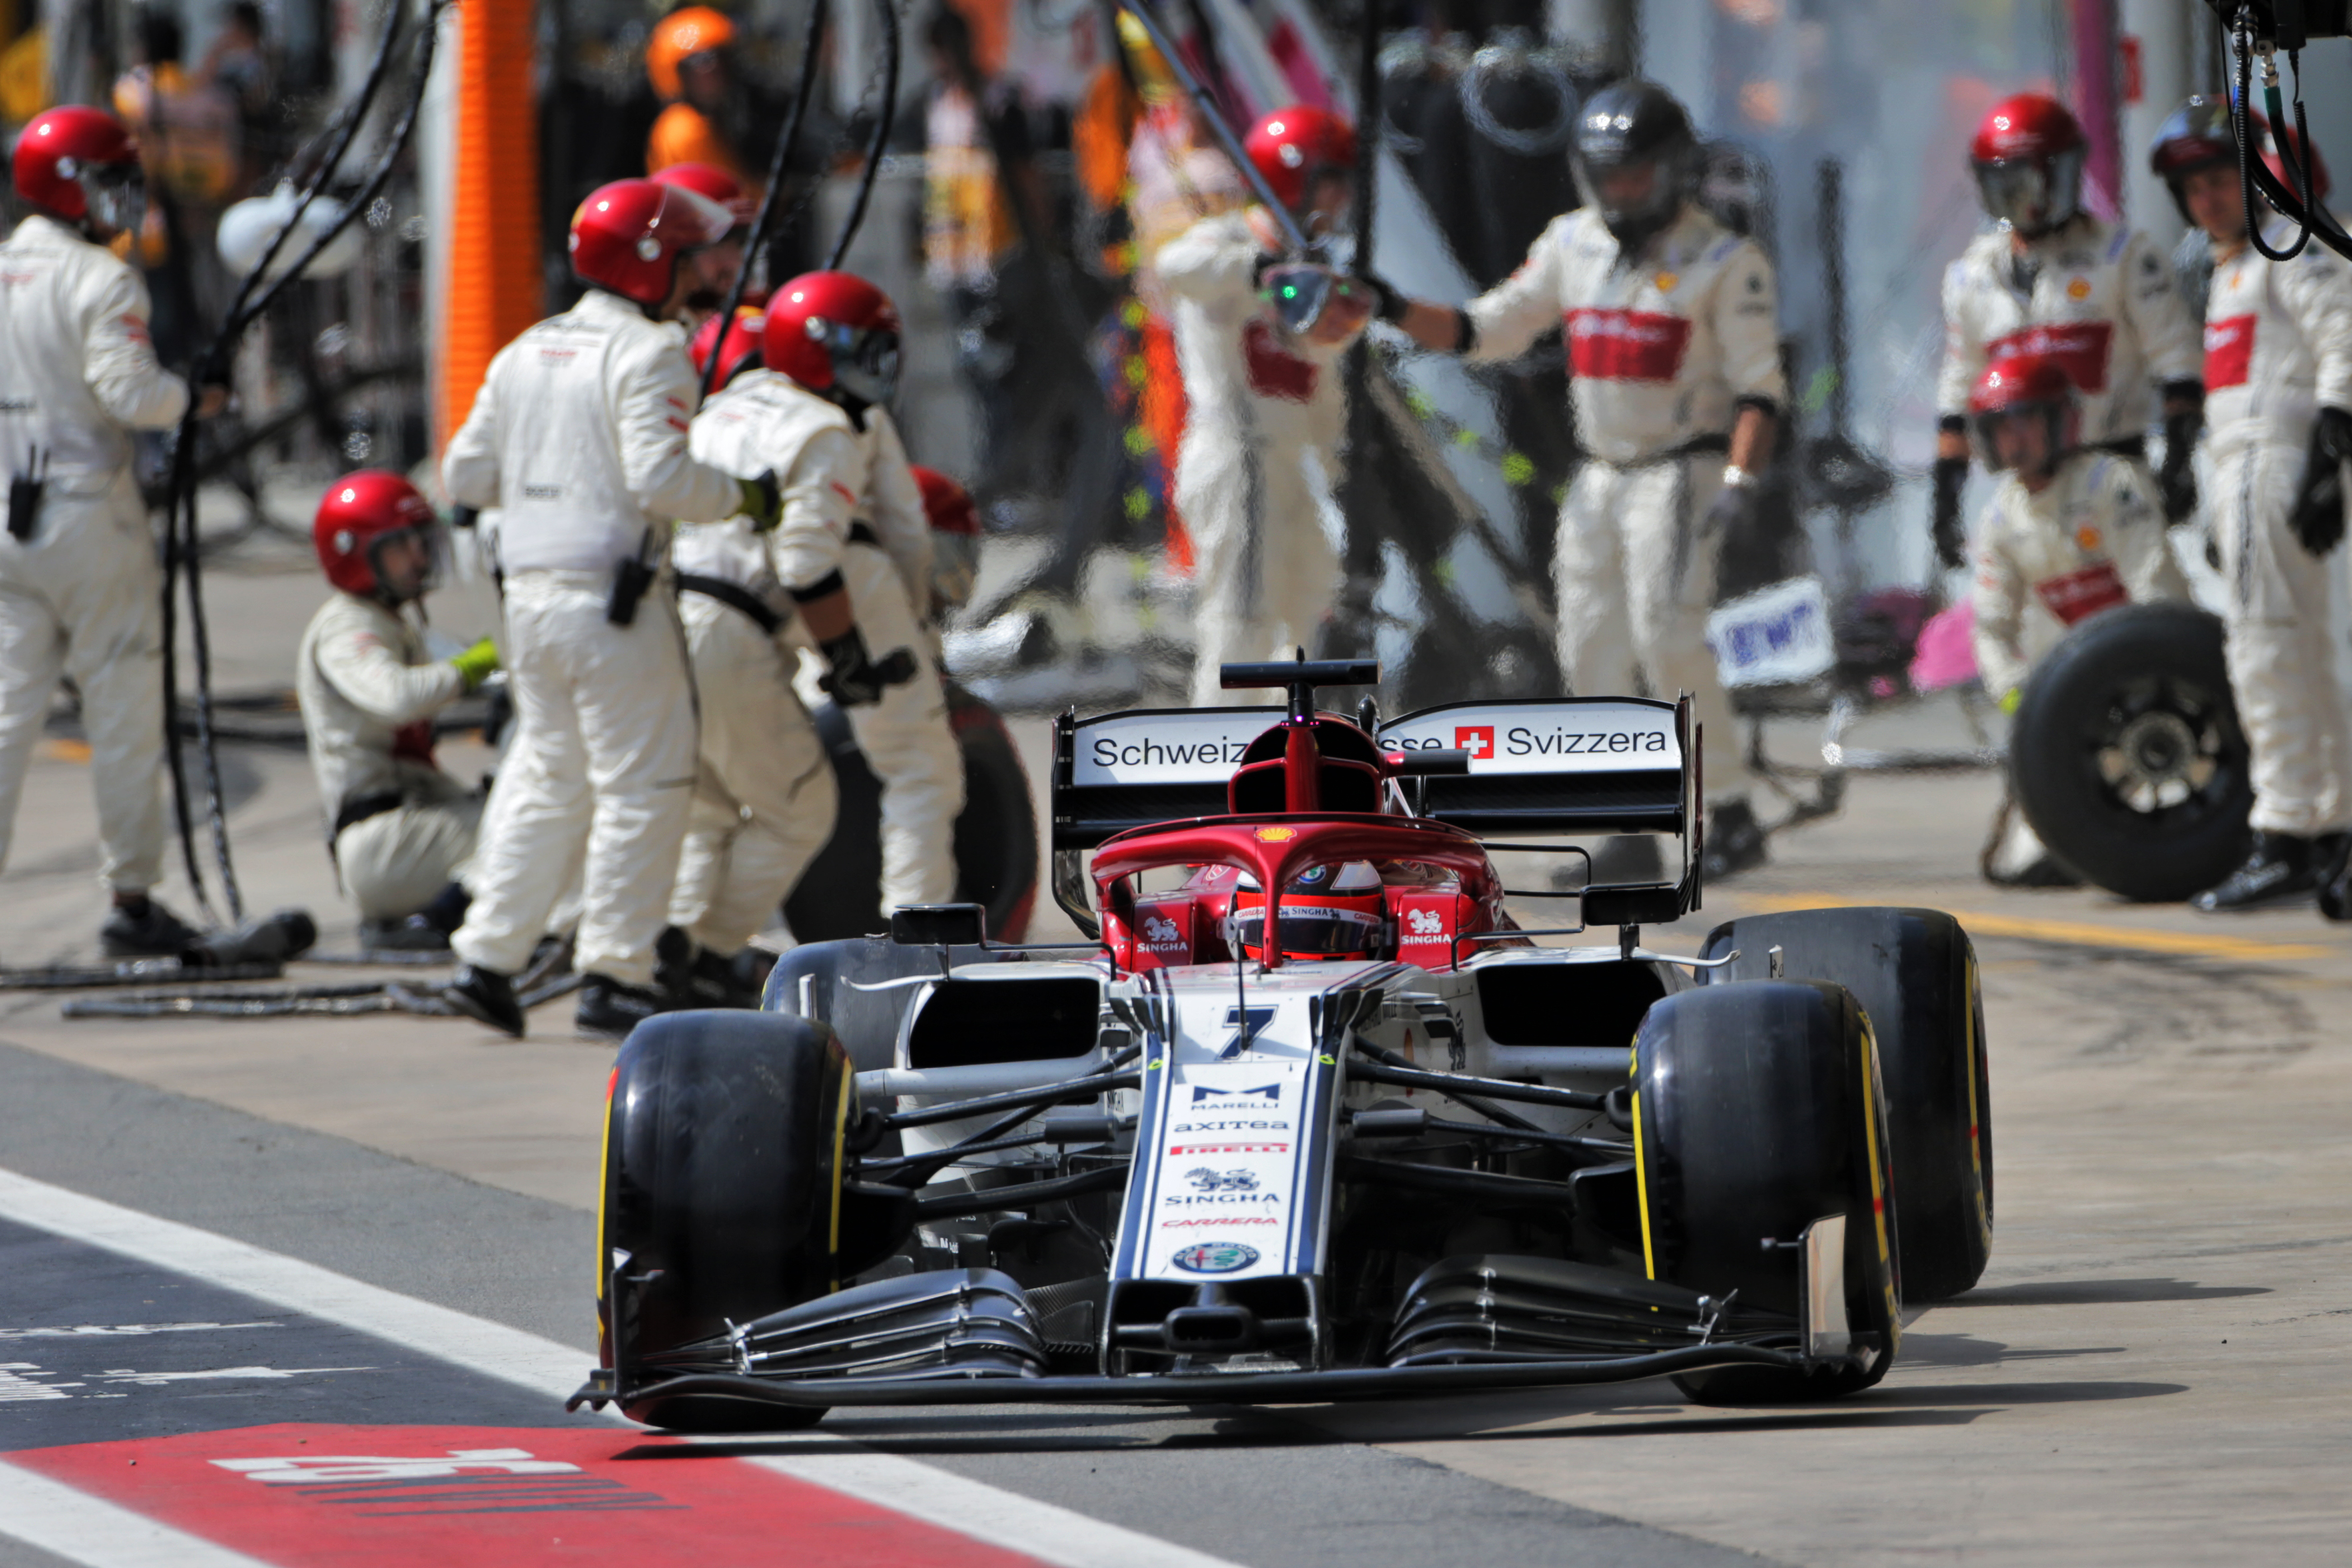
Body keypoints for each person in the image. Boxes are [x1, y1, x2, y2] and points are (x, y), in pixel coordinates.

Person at [1381, 79, 1780, 877]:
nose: (1617, 191)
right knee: (1589, 650)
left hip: (1679, 470)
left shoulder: (1724, 262)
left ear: (1670, 171)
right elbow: (1485, 328)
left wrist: (1740, 484)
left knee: (1669, 640)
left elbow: (1759, 391)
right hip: (1597, 477)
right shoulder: (1572, 243)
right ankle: (1626, 826)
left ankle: (1730, 810)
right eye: (1603, 174)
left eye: (1632, 174)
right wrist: (1389, 307)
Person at [438, 176, 781, 1040]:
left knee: (547, 776)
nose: (706, 271)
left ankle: (485, 961)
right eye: (690, 255)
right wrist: (748, 497)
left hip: (531, 607)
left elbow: (464, 478)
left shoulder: (527, 350)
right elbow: (660, 480)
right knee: (645, 783)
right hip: (616, 607)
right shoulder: (649, 354)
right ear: (649, 264)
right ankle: (615, 975)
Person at [0, 105, 222, 956]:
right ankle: (132, 901)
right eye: (110, 182)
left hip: (7, 521)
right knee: (124, 710)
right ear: (71, 187)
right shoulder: (100, 280)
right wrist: (190, 396)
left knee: (7, 715)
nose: (124, 201)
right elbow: (132, 396)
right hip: (91, 516)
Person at [2150, 99, 2352, 911]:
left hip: (2280, 463)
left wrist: (2324, 461)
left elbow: (2342, 341)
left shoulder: (2292, 248)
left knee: (2271, 653)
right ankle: (2323, 828)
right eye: (2190, 185)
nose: (2203, 198)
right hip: (2243, 473)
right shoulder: (2234, 268)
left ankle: (2287, 833)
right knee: (2283, 653)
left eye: (2217, 178)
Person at [1933, 93, 2203, 577]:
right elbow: (1959, 390)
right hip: (2027, 488)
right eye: (2009, 186)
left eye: (2038, 182)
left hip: (2114, 470)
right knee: (2046, 636)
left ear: (2066, 174)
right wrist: (1945, 494)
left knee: (2141, 615)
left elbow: (2178, 360)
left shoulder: (2122, 255)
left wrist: (2181, 459)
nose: (2027, 201)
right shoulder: (1971, 276)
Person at [1156, 104, 1372, 706]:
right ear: (1292, 177)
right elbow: (1173, 266)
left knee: (1308, 609)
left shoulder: (1318, 265)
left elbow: (1320, 382)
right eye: (1330, 181)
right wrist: (1260, 270)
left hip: (1291, 463)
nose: (1339, 197)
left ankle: (1287, 756)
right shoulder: (1229, 238)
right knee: (1240, 623)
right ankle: (1213, 762)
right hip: (1237, 454)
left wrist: (1338, 469)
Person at [766, 272, 967, 913]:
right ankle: (918, 931)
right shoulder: (851, 422)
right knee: (921, 766)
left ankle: (717, 946)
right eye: (869, 354)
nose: (880, 372)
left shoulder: (730, 407)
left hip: (722, 592)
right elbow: (907, 530)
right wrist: (917, 627)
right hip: (837, 582)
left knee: (720, 786)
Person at [657, 306, 842, 1004]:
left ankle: (671, 948)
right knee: (802, 807)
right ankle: (709, 954)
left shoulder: (700, 424)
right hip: (732, 630)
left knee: (704, 809)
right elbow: (807, 564)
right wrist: (849, 657)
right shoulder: (814, 425)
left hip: (664, 628)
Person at [1965, 353, 2190, 886]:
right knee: (2029, 864)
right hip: (2079, 692)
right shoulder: (1999, 517)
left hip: (2158, 672)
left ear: (2059, 421)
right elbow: (1991, 627)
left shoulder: (2112, 482)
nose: (2015, 440)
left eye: (2026, 422)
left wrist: (2147, 679)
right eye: (2002, 428)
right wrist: (2021, 698)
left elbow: (2155, 592)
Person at [297, 472, 500, 949]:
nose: (419, 558)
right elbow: (397, 698)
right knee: (533, 829)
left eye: (421, 543)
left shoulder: (390, 621)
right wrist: (481, 662)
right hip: (382, 841)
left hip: (408, 821)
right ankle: (439, 920)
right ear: (353, 552)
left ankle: (454, 911)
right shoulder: (347, 628)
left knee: (517, 807)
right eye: (401, 547)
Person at [645, 6, 751, 183]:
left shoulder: (702, 120)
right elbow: (731, 194)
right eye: (703, 61)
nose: (718, 69)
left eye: (723, 57)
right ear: (675, 72)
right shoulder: (685, 128)